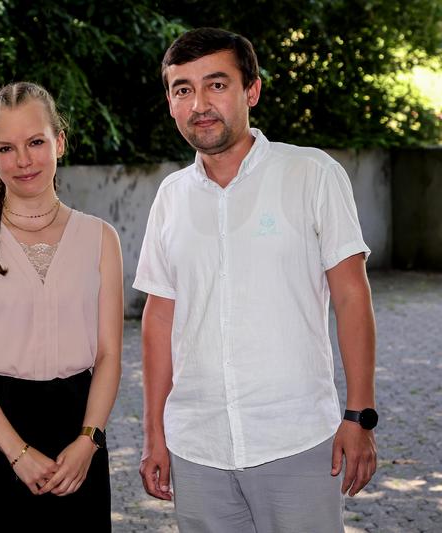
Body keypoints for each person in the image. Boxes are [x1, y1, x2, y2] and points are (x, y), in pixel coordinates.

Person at [134, 27, 378, 532]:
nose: (199, 103)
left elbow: (352, 297)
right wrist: (155, 435)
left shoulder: (312, 174)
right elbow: (159, 320)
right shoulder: (170, 197)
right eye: (183, 89)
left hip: (297, 441)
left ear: (252, 91)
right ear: (171, 102)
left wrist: (359, 415)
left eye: (216, 85)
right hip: (197, 447)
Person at [0, 81, 123, 530]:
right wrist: (16, 452)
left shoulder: (100, 238)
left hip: (77, 437)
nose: (23, 160)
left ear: (58, 141)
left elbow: (109, 354)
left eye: (36, 142)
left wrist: (89, 440)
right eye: (6, 147)